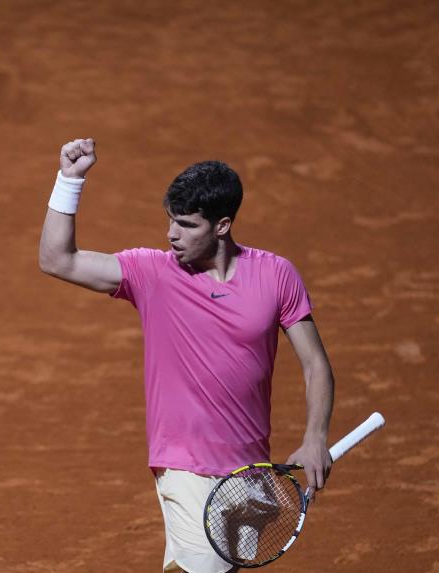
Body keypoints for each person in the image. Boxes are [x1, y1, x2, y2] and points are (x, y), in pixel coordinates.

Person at [39, 138, 335, 573]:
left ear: (222, 226)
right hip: (184, 465)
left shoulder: (276, 275)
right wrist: (70, 179)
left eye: (186, 224)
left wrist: (315, 436)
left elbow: (315, 365)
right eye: (170, 221)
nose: (171, 234)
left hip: (249, 471)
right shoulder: (152, 273)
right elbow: (56, 260)